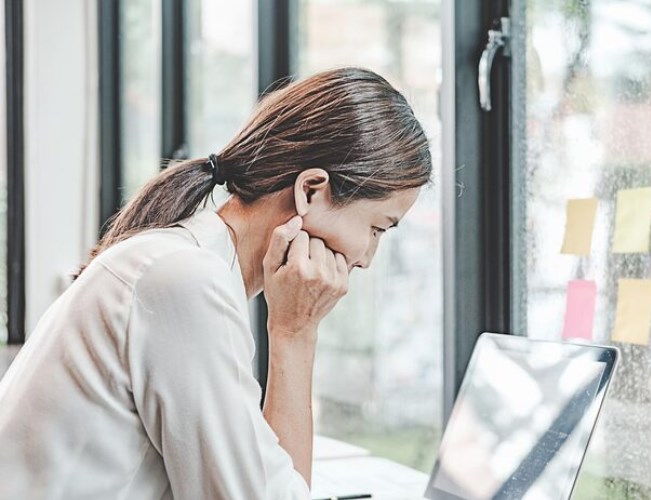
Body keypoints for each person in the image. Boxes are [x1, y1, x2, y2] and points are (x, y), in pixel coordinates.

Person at [0, 67, 432, 499]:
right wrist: (295, 335)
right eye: (377, 229)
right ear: (311, 191)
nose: (367, 259)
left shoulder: (187, 267)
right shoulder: (185, 283)